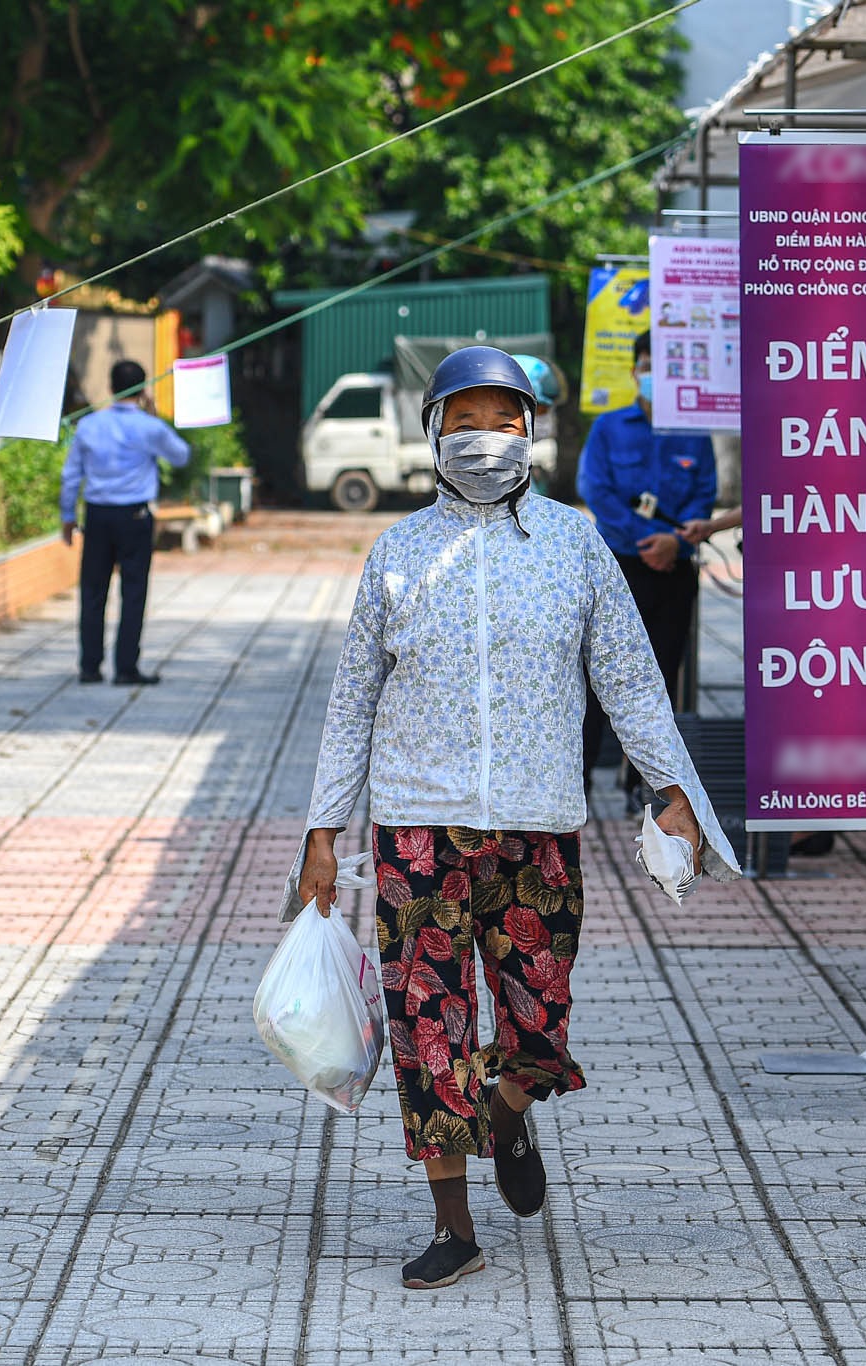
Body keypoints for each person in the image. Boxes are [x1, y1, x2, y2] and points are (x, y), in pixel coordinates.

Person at [292, 345, 737, 1291]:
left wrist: (674, 791)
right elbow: (351, 699)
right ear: (434, 430)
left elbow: (630, 678)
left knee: (539, 1022)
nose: (484, 437)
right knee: (429, 1025)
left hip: (539, 824)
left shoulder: (577, 545)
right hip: (418, 827)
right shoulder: (397, 552)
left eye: (503, 417)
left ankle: (509, 1105)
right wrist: (323, 830)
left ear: (531, 429)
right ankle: (453, 1223)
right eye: (465, 417)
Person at [576, 330, 717, 785]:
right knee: (599, 674)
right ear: (635, 371)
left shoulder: (694, 432)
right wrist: (651, 539)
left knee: (661, 675)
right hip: (620, 568)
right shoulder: (609, 427)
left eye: (666, 368)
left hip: (674, 571)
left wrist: (677, 544)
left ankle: (648, 784)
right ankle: (580, 779)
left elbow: (704, 495)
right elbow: (596, 490)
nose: (655, 375)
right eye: (648, 365)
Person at [61, 359, 191, 686]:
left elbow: (71, 475)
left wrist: (67, 517)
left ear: (110, 387)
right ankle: (125, 668)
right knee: (133, 592)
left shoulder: (89, 425)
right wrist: (154, 415)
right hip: (134, 516)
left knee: (92, 591)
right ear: (144, 389)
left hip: (97, 515)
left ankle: (89, 667)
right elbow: (181, 456)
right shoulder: (150, 427)